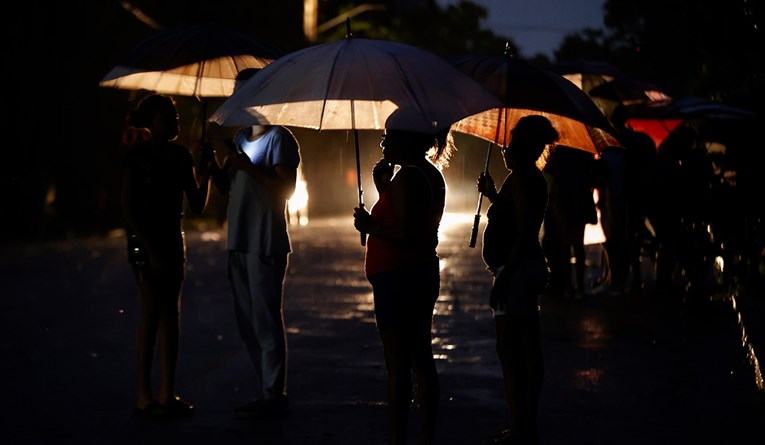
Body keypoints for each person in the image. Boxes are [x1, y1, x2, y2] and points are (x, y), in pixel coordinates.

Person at [352, 118, 453, 445]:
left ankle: (399, 437)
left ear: (408, 140)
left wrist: (371, 226)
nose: (383, 145)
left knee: (398, 364)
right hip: (416, 274)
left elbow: (408, 233)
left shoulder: (410, 177)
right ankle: (425, 435)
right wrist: (384, 191)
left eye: (388, 138)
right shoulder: (429, 175)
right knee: (420, 356)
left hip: (400, 278)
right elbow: (413, 221)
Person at [121, 93, 212, 418]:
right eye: (169, 116)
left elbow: (198, 203)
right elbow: (129, 210)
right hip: (146, 243)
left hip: (173, 240)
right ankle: (144, 394)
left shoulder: (181, 155)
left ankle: (167, 392)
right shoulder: (138, 157)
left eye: (175, 116)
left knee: (171, 318)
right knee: (150, 316)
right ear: (153, 122)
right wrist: (148, 248)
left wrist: (205, 171)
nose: (175, 121)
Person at [209, 121, 300, 419]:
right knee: (247, 321)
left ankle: (274, 393)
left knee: (266, 320)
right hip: (238, 240)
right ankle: (266, 389)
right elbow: (226, 186)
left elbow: (286, 189)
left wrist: (248, 167)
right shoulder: (238, 138)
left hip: (265, 241)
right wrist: (212, 164)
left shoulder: (280, 139)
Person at [476, 115, 558, 445]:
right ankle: (523, 425)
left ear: (522, 148)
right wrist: (494, 195)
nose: (503, 149)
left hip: (519, 270)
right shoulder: (521, 178)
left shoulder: (524, 179)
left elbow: (524, 233)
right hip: (523, 269)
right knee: (524, 347)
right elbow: (514, 217)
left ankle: (522, 427)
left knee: (512, 352)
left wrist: (504, 276)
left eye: (509, 144)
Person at [541, 145, 598, 300]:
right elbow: (591, 174)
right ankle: (579, 286)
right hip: (579, 201)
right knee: (578, 245)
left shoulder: (557, 151)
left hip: (563, 201)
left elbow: (550, 172)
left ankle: (569, 286)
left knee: (565, 246)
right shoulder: (583, 151)